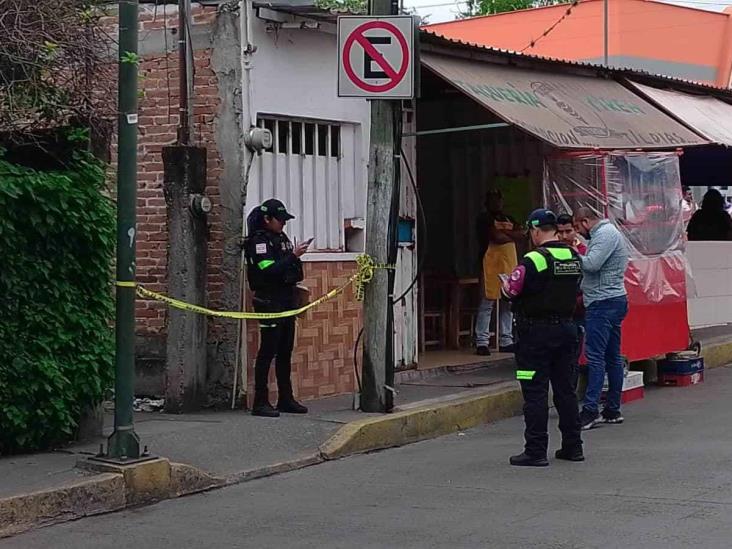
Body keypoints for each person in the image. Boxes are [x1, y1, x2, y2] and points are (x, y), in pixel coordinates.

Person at [502, 209, 584, 467]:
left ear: (536, 230)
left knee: (534, 392)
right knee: (566, 391)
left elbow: (511, 290)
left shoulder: (534, 259)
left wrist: (505, 287)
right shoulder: (573, 255)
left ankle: (535, 450)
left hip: (534, 335)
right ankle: (573, 447)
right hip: (567, 331)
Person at [244, 198, 311, 418]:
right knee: (267, 351)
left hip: (286, 299)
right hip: (269, 301)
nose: (283, 224)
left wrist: (294, 260)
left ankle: (285, 398)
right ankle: (260, 402)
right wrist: (293, 256)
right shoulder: (258, 242)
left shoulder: (281, 238)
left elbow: (291, 269)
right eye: (279, 220)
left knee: (285, 351)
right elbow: (267, 271)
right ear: (267, 219)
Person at [573, 207, 629, 430]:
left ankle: (590, 411)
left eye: (578, 227)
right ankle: (612, 409)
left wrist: (573, 252)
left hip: (602, 303)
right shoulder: (609, 233)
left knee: (595, 358)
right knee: (612, 356)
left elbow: (591, 264)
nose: (578, 233)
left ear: (585, 221)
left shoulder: (604, 235)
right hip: (613, 300)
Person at [475, 189, 524, 355]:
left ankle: (506, 340)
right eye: (494, 199)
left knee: (508, 303)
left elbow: (523, 234)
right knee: (487, 302)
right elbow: (495, 237)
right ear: (487, 201)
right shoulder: (484, 218)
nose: (497, 203)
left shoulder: (508, 217)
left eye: (499, 199)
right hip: (489, 263)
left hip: (509, 264)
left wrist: (506, 234)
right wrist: (512, 235)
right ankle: (482, 341)